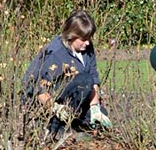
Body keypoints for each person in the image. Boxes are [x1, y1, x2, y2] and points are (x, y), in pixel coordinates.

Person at [22, 10, 111, 138]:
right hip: (51, 99)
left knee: (100, 118)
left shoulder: (87, 48)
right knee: (84, 80)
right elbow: (34, 85)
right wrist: (54, 107)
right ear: (72, 35)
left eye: (89, 38)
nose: (88, 43)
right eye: (84, 39)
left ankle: (73, 123)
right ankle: (54, 127)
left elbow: (94, 76)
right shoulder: (55, 53)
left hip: (76, 97)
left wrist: (95, 107)